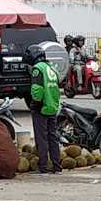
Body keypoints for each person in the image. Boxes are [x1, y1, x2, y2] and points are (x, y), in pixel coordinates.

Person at [23, 45, 62, 175]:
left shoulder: (37, 69)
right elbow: (57, 87)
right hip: (52, 106)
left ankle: (43, 166)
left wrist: (35, 103)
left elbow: (37, 89)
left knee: (42, 138)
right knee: (53, 137)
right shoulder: (51, 68)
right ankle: (57, 166)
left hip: (42, 107)